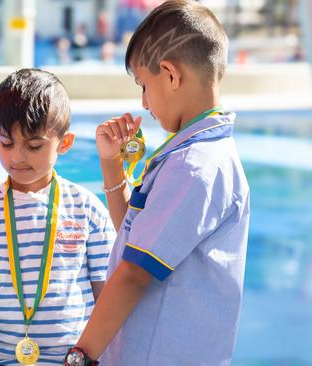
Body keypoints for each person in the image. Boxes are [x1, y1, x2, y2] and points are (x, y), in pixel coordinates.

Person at [64, 1, 250, 365]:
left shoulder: (194, 167)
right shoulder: (196, 154)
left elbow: (134, 275)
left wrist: (80, 357)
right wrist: (112, 165)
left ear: (170, 74)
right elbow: (134, 240)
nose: (144, 103)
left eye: (144, 86)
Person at [0, 68, 116, 365]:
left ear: (65, 143)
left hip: (69, 360)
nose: (17, 157)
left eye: (33, 146)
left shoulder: (86, 208)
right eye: (6, 143)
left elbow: (107, 295)